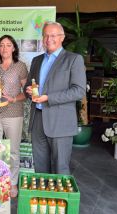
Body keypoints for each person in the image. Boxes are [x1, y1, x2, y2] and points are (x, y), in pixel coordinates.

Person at [24, 21, 86, 175]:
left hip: (61, 121)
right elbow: (28, 86)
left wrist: (48, 97)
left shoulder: (73, 59)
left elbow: (78, 91)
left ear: (62, 38)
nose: (48, 39)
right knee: (40, 167)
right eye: (45, 35)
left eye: (53, 35)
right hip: (38, 120)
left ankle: (60, 199)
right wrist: (29, 90)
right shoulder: (36, 60)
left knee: (60, 167)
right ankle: (43, 198)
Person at [0, 34, 28, 197]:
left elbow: (27, 92)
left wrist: (13, 99)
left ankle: (12, 183)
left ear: (14, 48)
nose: (4, 48)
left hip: (13, 113)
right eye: (2, 45)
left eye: (8, 45)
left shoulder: (20, 66)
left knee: (13, 151)